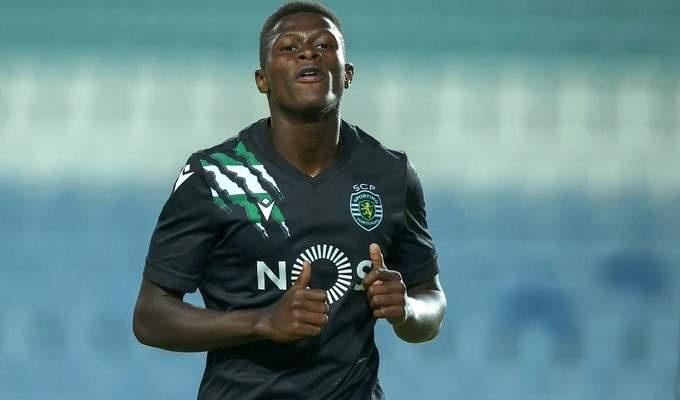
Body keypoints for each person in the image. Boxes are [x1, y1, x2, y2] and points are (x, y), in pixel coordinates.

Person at [132, 2, 446, 399]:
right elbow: (150, 317)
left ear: (348, 74)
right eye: (288, 47)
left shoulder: (391, 174)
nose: (308, 53)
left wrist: (407, 310)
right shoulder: (214, 176)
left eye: (324, 45)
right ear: (262, 79)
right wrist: (262, 321)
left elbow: (431, 302)